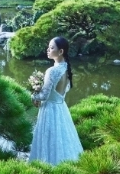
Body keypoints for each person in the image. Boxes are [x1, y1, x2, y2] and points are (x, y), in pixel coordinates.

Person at [28, 36, 83, 165]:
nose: (48, 50)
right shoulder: (66, 69)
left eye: (52, 47)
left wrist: (33, 96)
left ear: (61, 52)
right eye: (48, 47)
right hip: (61, 108)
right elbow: (65, 90)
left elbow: (44, 96)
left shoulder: (52, 71)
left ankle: (47, 166)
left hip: (49, 110)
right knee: (63, 139)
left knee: (49, 139)